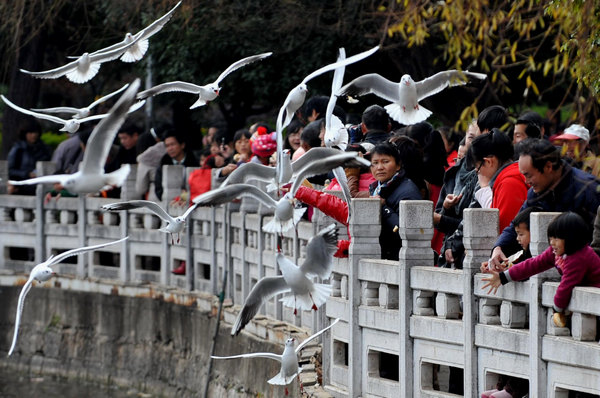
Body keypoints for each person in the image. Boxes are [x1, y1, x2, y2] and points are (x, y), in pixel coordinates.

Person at [487, 138, 600, 271]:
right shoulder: (535, 193)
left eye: (529, 175)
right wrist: (498, 248)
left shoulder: (588, 190)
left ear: (548, 167)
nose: (527, 181)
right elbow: (516, 226)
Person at [482, 212, 600, 327]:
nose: (552, 243)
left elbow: (567, 284)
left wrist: (556, 309)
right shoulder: (556, 252)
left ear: (571, 239)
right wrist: (504, 277)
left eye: (557, 239)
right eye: (551, 238)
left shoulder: (578, 257)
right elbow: (533, 265)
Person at [369, 142, 422, 260]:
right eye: (375, 163)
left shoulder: (408, 191)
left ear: (398, 165)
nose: (379, 167)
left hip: (400, 259)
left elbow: (407, 232)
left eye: (385, 161)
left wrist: (383, 208)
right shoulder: (377, 189)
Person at [468, 129, 528, 231]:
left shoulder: (509, 184)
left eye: (477, 167)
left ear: (489, 162)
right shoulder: (508, 178)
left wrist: (483, 188)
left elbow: (500, 227)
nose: (478, 172)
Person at [7, 120, 51, 195]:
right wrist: (27, 174)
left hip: (39, 185)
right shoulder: (18, 149)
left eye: (35, 132)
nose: (33, 135)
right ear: (25, 134)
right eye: (30, 133)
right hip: (21, 186)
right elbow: (10, 170)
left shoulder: (43, 148)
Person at [154, 130, 198, 201]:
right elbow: (158, 188)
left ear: (182, 145)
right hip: (170, 203)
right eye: (167, 146)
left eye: (172, 144)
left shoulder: (195, 162)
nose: (170, 148)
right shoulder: (163, 164)